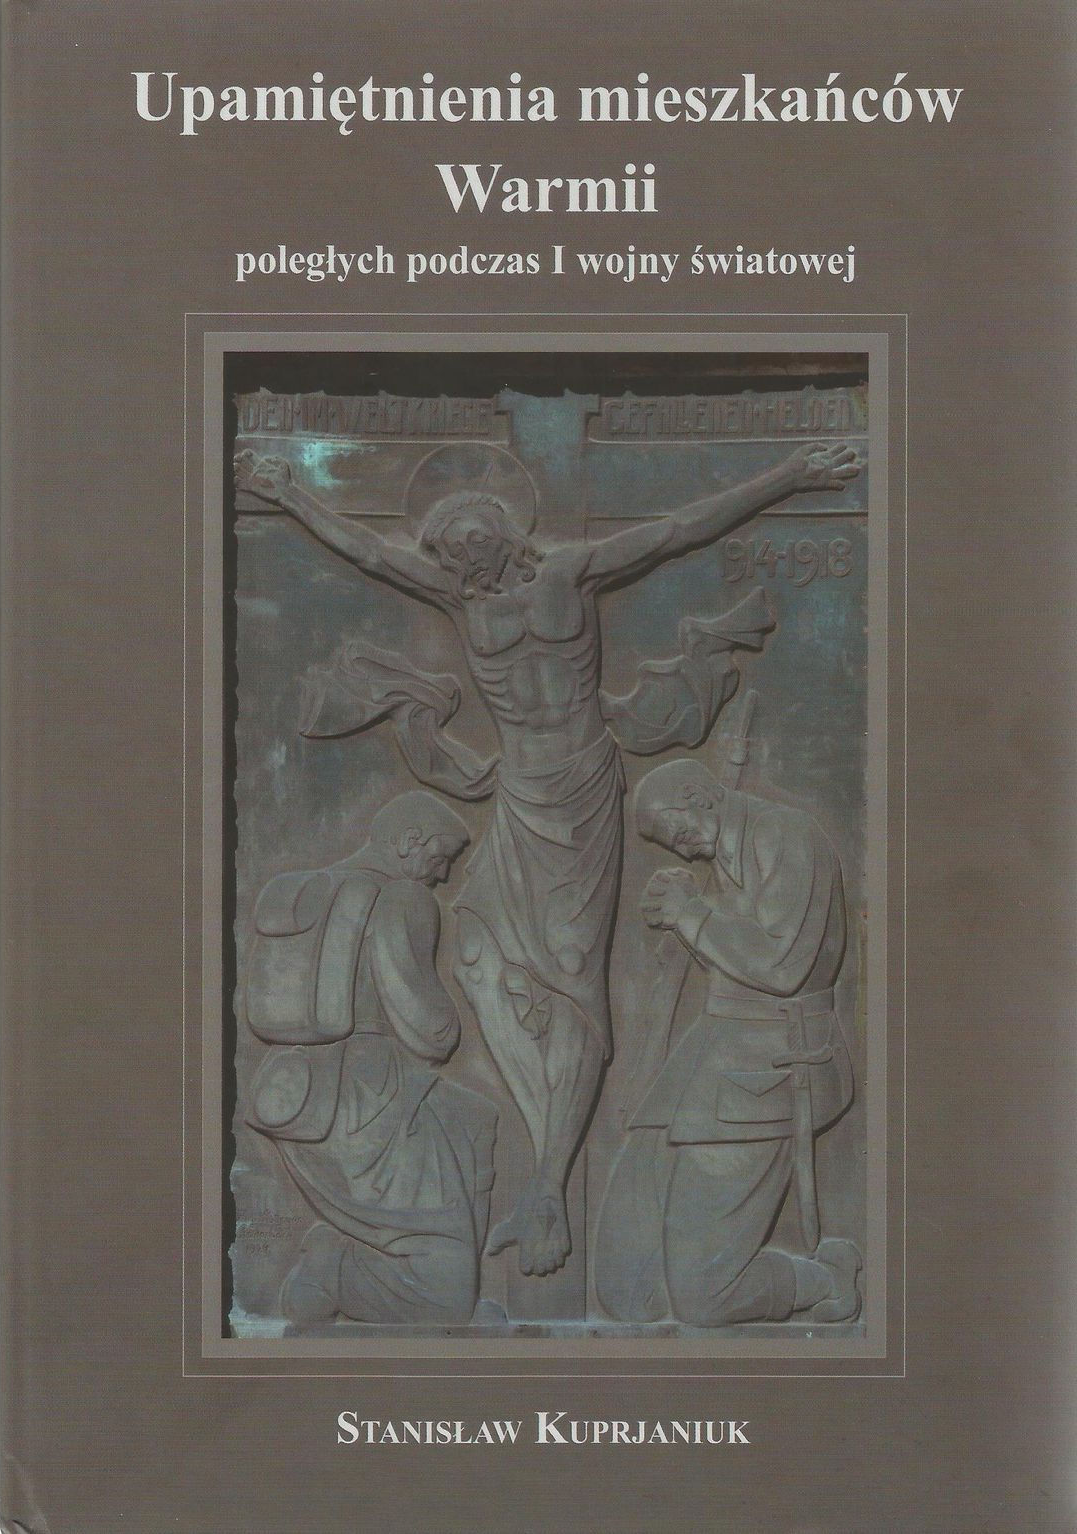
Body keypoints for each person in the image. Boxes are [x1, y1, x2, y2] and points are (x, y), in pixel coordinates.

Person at [235, 439, 860, 1279]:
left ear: (504, 529)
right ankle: (542, 1156)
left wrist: (795, 475)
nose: (463, 553)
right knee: (478, 951)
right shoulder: (454, 597)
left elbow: (680, 529)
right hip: (519, 797)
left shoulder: (573, 573)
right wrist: (289, 494)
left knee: (572, 976)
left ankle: (550, 1184)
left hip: (584, 792)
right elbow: (369, 553)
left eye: (473, 534)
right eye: (448, 545)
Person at [595, 759, 862, 1326]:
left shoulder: (786, 835)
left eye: (674, 832)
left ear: (698, 794)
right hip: (706, 1060)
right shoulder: (725, 852)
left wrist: (691, 913)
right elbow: (729, 955)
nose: (681, 849)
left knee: (702, 1298)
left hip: (766, 1074)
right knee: (624, 1285)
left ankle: (823, 1279)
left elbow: (782, 966)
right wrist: (681, 908)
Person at [244, 791, 497, 1327]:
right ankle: (335, 1270)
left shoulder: (309, 891)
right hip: (370, 1102)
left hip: (294, 1094)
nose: (443, 874)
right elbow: (430, 1033)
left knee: (478, 1119)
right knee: (446, 1293)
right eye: (440, 857)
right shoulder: (402, 899)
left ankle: (347, 1250)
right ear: (408, 841)